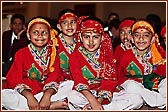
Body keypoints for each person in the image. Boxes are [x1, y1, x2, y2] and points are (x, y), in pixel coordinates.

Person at [68, 16, 143, 110]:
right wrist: (93, 101)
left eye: (95, 37)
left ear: (102, 38)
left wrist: (98, 102)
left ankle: (96, 108)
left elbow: (110, 80)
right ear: (80, 37)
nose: (91, 41)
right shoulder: (75, 56)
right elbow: (79, 81)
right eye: (87, 37)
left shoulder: (106, 54)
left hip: (105, 94)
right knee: (73, 96)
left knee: (137, 100)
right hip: (86, 93)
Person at [2, 17, 72, 110]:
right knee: (4, 96)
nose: (40, 35)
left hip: (47, 91)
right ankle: (49, 106)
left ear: (50, 35)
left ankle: (39, 105)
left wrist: (46, 95)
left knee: (70, 84)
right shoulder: (21, 53)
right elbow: (14, 78)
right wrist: (29, 97)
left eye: (44, 32)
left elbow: (54, 77)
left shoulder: (54, 53)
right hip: (26, 93)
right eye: (35, 32)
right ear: (28, 35)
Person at [117, 20, 166, 109]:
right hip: (134, 88)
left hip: (153, 86)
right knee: (131, 86)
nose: (141, 39)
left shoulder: (159, 55)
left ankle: (158, 100)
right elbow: (118, 76)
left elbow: (163, 75)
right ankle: (161, 102)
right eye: (137, 35)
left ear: (152, 38)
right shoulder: (125, 55)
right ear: (132, 38)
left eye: (146, 35)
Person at [56, 8, 80, 80]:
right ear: (59, 27)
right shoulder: (53, 45)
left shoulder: (83, 44)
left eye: (73, 22)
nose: (69, 26)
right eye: (65, 22)